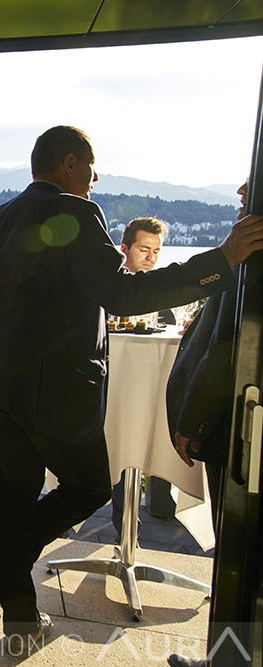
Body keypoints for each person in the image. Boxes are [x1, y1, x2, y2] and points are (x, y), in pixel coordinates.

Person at [0, 125, 263, 652]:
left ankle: (19, 616)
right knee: (92, 486)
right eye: (92, 167)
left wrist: (11, 348)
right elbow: (122, 293)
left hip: (4, 385)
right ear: (70, 164)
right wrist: (222, 260)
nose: (96, 178)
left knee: (15, 499)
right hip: (62, 390)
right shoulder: (76, 214)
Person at [164, 179, 257, 667]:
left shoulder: (251, 254)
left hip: (233, 427)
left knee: (238, 552)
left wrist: (193, 420)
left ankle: (226, 660)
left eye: (253, 182)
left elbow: (229, 345)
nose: (242, 189)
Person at [110, 216, 171, 542]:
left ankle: (127, 531)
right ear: (125, 248)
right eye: (144, 249)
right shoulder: (107, 292)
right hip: (106, 391)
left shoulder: (163, 297)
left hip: (146, 393)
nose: (151, 257)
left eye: (156, 251)